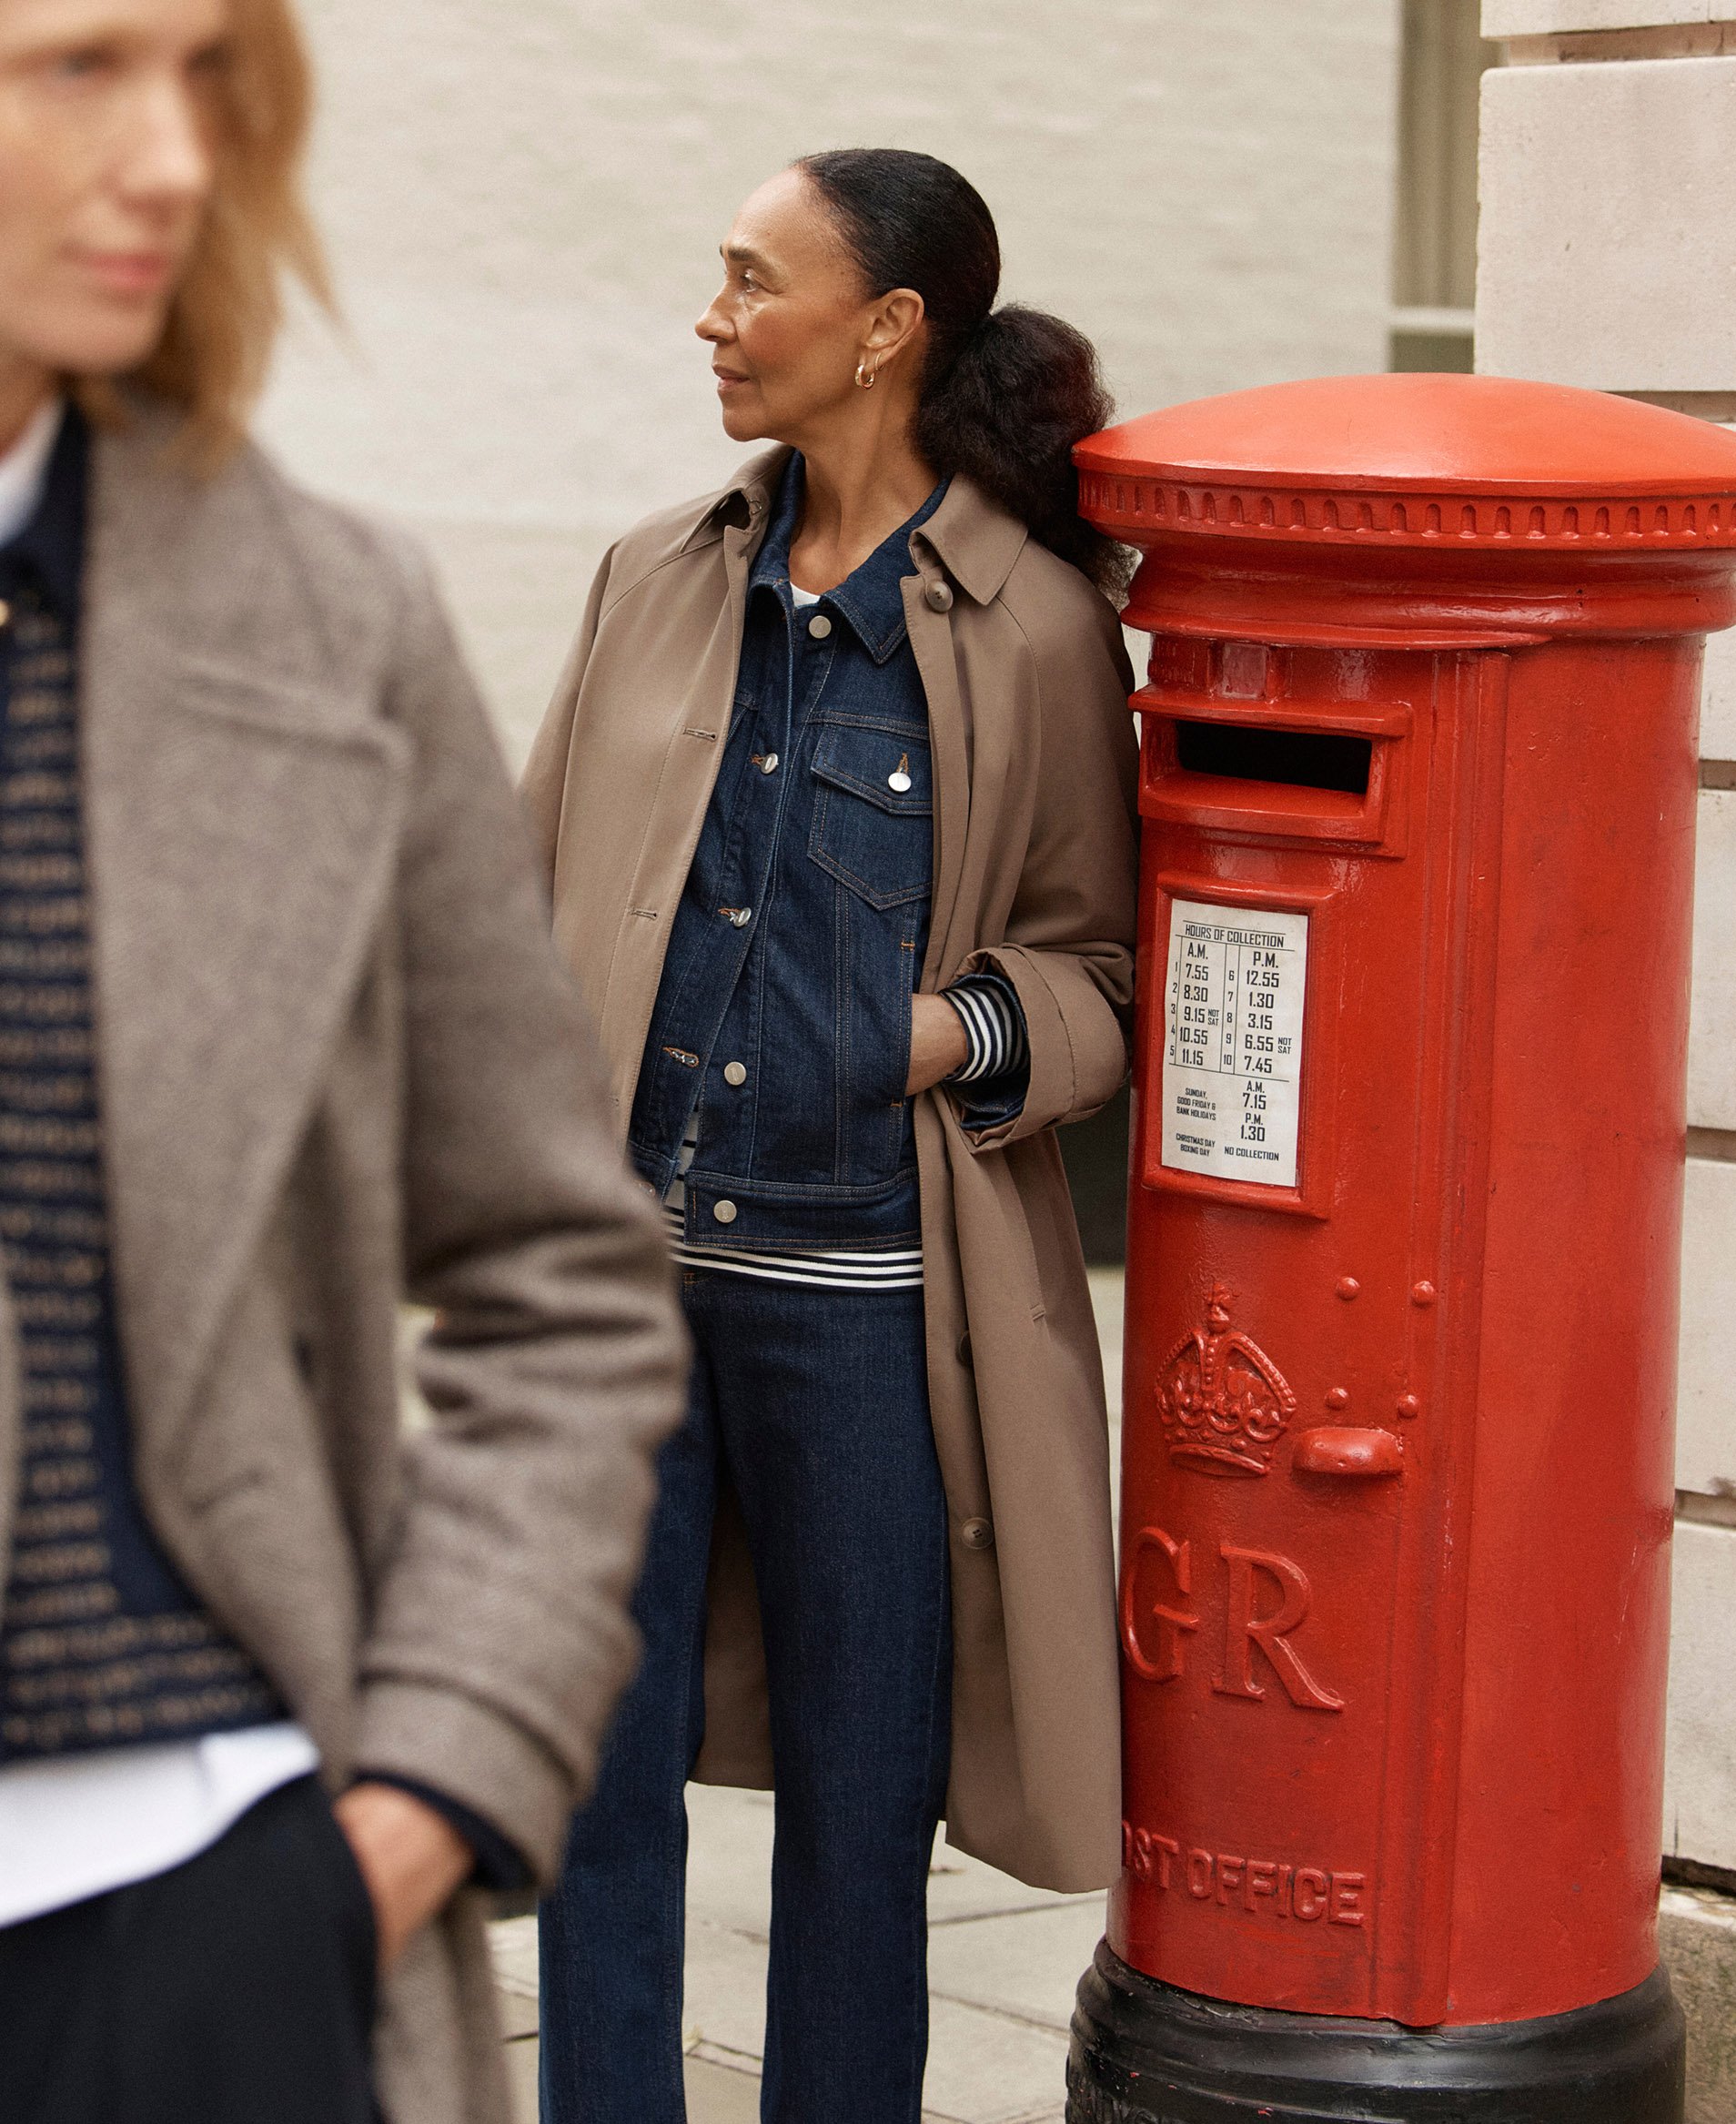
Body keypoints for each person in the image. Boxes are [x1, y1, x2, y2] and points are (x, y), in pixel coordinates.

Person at [0, 3, 686, 2120]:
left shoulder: (325, 623)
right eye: (77, 66)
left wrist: (419, 1793)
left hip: (203, 1904)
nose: (178, 163)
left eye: (207, 76)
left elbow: (564, 1285)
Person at [524, 147, 1139, 2123]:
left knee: (860, 1827)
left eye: (749, 282)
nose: (712, 320)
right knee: (588, 1796)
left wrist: (937, 1032)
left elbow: (1110, 975)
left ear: (885, 332)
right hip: (625, 1302)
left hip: (877, 1313)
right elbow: (522, 904)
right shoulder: (652, 574)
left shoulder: (1036, 632)